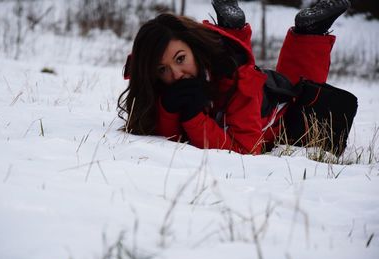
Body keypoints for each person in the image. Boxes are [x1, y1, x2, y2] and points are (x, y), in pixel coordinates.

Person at [118, 0, 358, 156]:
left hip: (273, 108)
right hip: (234, 78)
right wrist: (168, 109)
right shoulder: (166, 75)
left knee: (303, 95)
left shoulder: (241, 83)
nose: (175, 75)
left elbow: (245, 149)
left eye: (180, 59)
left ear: (192, 46)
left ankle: (310, 32)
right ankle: (230, 28)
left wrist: (194, 118)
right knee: (227, 59)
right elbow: (169, 137)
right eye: (162, 69)